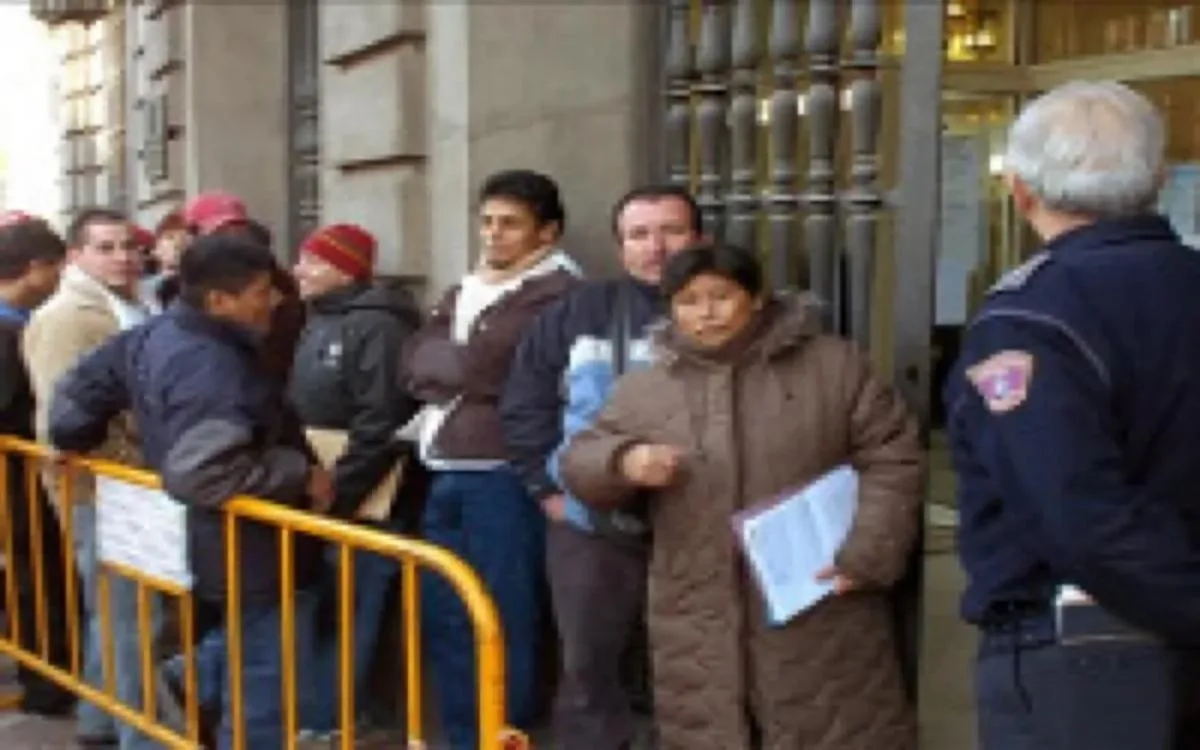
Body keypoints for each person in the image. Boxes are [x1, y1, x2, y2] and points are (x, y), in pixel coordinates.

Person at [560, 243, 921, 750]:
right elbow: (580, 462)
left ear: (756, 297)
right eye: (688, 301)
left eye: (721, 296)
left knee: (831, 728)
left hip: (819, 597)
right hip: (694, 607)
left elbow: (893, 457)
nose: (705, 313)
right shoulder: (645, 389)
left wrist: (868, 551)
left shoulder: (833, 367)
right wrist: (623, 460)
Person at [945, 80, 1200, 750]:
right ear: (1160, 178)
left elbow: (1076, 513)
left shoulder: (1030, 317)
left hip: (1084, 652)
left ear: (1020, 192)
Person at [48, 234, 331, 750]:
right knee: (264, 679)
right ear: (219, 300)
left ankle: (190, 683)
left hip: (223, 541)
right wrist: (297, 472)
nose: (273, 301)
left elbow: (79, 393)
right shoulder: (213, 365)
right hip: (247, 543)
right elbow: (201, 474)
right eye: (261, 291)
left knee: (252, 658)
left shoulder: (156, 334)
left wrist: (73, 436)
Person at [500, 184, 703, 748]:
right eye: (639, 234)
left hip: (701, 523)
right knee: (589, 666)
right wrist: (547, 491)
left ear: (700, 238)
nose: (656, 247)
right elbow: (525, 403)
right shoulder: (578, 312)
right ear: (620, 247)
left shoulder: (724, 310)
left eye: (672, 231)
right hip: (590, 524)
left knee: (691, 668)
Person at [402, 169, 580, 748]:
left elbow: (492, 370)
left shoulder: (557, 292)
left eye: (510, 224)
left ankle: (504, 731)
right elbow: (413, 360)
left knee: (503, 611)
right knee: (448, 608)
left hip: (503, 473)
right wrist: (453, 364)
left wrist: (452, 364)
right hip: (444, 464)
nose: (494, 234)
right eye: (486, 222)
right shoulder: (468, 286)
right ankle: (462, 733)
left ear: (547, 232)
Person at [22, 206, 153, 749]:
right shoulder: (68, 316)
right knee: (129, 614)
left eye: (129, 246)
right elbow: (62, 417)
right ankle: (137, 735)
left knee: (117, 610)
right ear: (75, 255)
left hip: (124, 483)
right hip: (101, 486)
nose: (123, 257)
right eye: (106, 247)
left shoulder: (127, 304)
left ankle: (100, 721)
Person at [287, 222, 422, 738]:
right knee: (330, 607)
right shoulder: (320, 319)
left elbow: (380, 419)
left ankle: (339, 719)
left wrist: (339, 492)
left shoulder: (378, 327)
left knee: (356, 606)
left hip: (363, 498)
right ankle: (327, 712)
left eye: (313, 261)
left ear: (346, 270)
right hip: (327, 491)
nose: (299, 271)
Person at [0, 216, 74, 717]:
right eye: (56, 269)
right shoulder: (10, 333)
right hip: (17, 480)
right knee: (34, 575)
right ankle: (46, 679)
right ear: (34, 268)